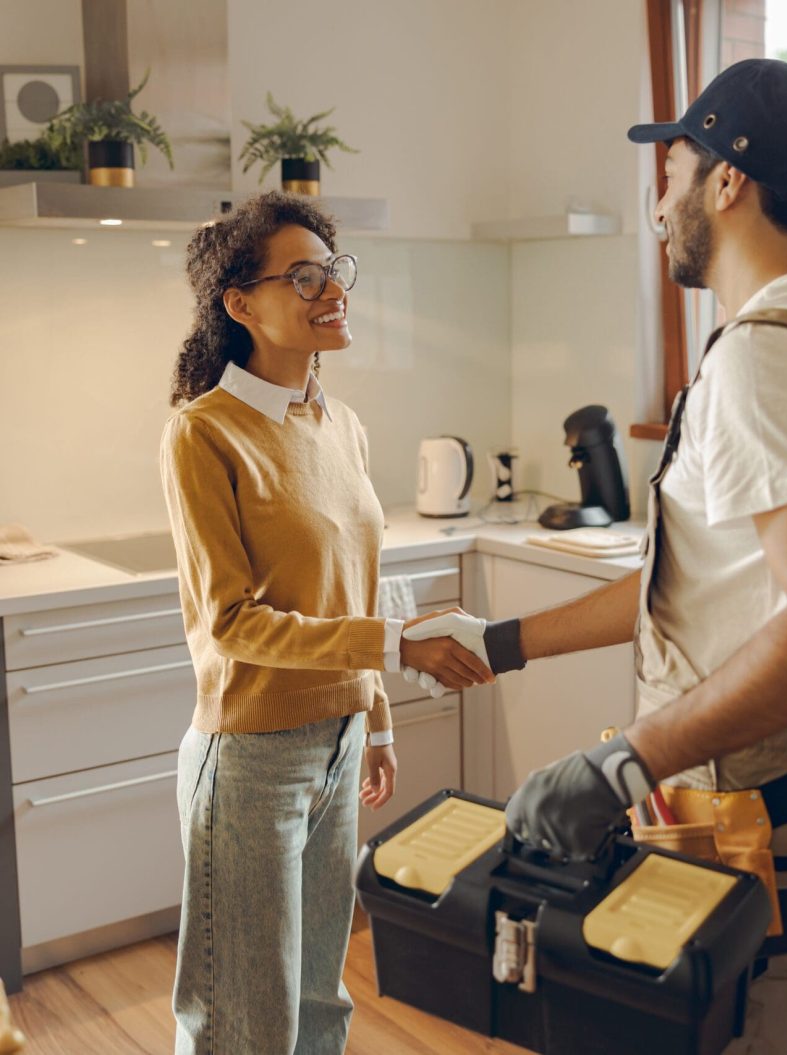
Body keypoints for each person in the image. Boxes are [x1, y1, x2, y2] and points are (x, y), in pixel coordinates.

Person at [405, 59, 787, 1054]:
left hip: (759, 816)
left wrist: (622, 762)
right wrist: (500, 640)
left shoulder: (764, 357)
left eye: (673, 170)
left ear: (728, 182)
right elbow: (700, 589)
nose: (658, 202)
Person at [160, 191, 493, 1055]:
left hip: (341, 741)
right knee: (244, 1015)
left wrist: (374, 716)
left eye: (334, 270)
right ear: (241, 305)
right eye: (302, 276)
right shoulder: (205, 435)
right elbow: (233, 622)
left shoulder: (340, 423)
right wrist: (394, 650)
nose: (331, 289)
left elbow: (363, 584)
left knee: (319, 999)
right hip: (251, 760)